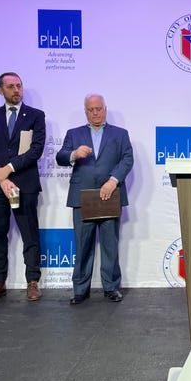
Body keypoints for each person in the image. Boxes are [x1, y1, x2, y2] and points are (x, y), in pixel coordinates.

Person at [56, 94, 134, 304]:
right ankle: (80, 290)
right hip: (83, 197)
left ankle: (111, 287)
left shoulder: (120, 134)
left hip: (109, 194)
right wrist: (73, 154)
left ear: (105, 109)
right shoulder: (74, 134)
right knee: (82, 245)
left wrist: (113, 180)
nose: (96, 112)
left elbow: (127, 159)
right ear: (85, 112)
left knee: (110, 244)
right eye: (91, 110)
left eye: (99, 108)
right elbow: (60, 157)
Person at [0, 72, 46, 304]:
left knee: (30, 233)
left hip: (24, 184)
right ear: (1, 91)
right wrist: (2, 178)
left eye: (19, 85)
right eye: (10, 86)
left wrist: (8, 169)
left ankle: (33, 281)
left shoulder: (36, 116)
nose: (16, 90)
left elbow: (35, 150)